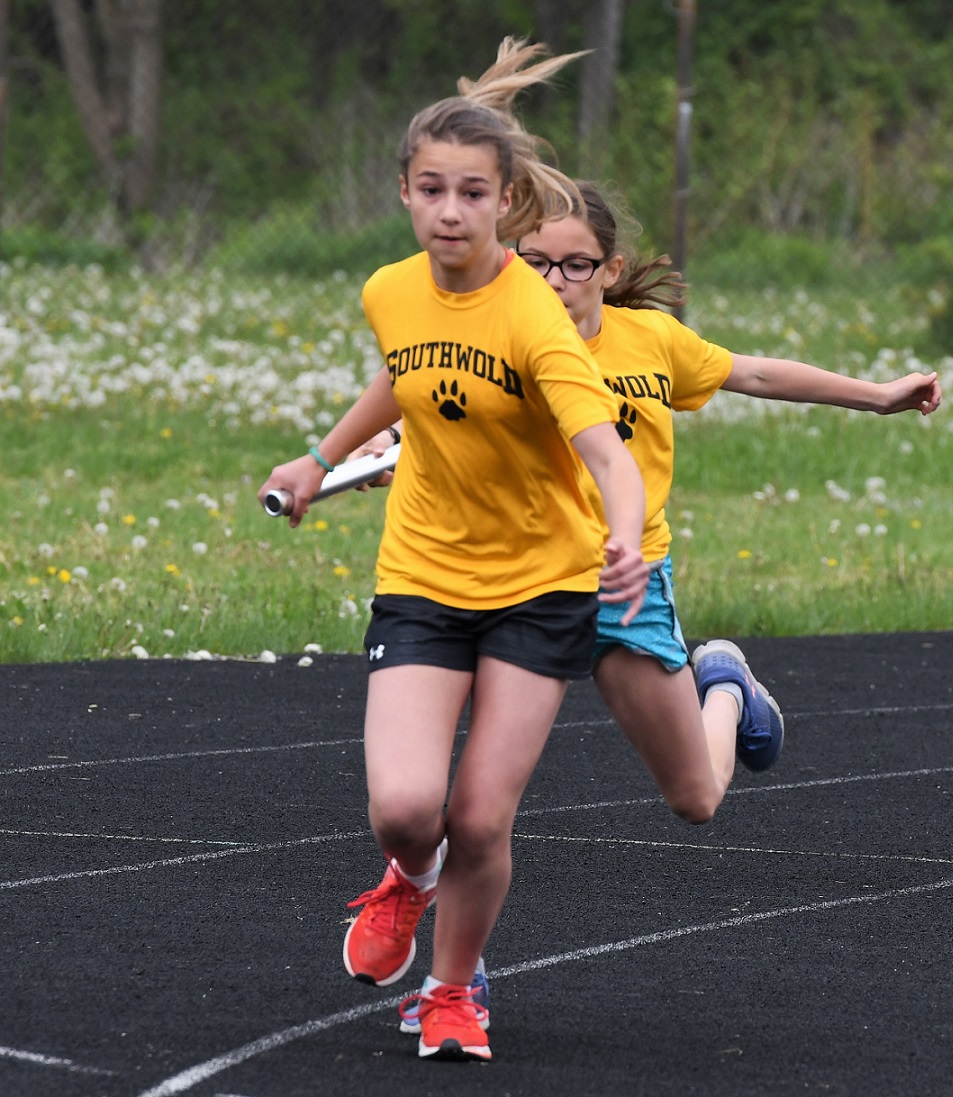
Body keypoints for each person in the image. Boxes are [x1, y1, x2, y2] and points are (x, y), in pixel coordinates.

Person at [390, 178, 942, 1034]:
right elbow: (430, 411)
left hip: (623, 584)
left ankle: (723, 684)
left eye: (574, 264)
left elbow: (753, 370)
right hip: (512, 585)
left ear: (608, 271)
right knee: (469, 799)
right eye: (534, 260)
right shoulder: (488, 334)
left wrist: (878, 395)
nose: (553, 278)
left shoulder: (652, 342)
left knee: (696, 797)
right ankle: (459, 976)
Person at [258, 45, 649, 1064]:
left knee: (477, 815)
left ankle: (449, 990)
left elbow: (603, 449)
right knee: (403, 808)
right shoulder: (391, 290)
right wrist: (318, 457)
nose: (449, 210)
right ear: (402, 190)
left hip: (539, 583)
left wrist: (624, 532)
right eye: (430, 189)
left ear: (504, 201)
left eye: (472, 193)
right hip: (426, 574)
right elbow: (406, 373)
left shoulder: (534, 317)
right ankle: (407, 875)